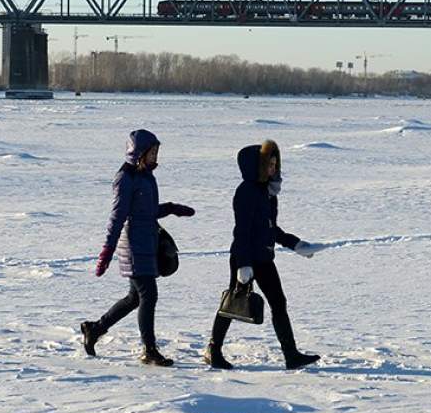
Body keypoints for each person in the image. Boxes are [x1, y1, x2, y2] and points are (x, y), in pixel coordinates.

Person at [80, 129, 195, 366]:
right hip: (133, 245)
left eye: (157, 152)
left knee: (135, 298)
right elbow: (117, 217)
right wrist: (107, 251)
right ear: (139, 153)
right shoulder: (125, 178)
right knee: (148, 295)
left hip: (147, 243)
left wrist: (171, 208)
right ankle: (149, 350)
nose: (156, 156)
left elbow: (147, 211)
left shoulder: (146, 176)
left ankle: (95, 329)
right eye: (152, 152)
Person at [205, 139, 322, 370]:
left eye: (275, 165)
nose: (274, 169)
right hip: (245, 257)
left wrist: (297, 245)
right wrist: (243, 264)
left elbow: (271, 229)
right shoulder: (246, 191)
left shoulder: (268, 193)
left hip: (264, 258)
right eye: (269, 165)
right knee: (233, 303)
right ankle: (213, 350)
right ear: (258, 166)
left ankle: (291, 355)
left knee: (279, 303)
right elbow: (242, 231)